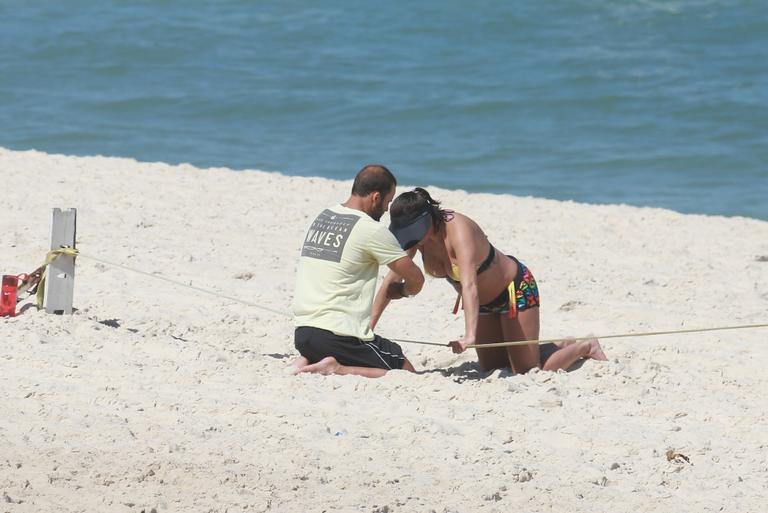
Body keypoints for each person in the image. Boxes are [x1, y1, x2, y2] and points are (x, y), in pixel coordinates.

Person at [372, 187, 606, 374]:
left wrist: (469, 335)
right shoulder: (417, 242)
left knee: (527, 370)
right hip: (483, 305)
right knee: (494, 368)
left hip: (515, 290)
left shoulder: (458, 229)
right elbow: (391, 280)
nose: (408, 239)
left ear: (426, 221)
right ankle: (559, 345)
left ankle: (585, 346)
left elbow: (470, 285)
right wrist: (368, 327)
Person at [292, 165, 425, 378]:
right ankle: (337, 367)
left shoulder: (325, 216)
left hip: (303, 334)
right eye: (387, 202)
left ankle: (309, 357)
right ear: (375, 197)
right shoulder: (371, 229)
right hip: (338, 336)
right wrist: (402, 291)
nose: (385, 210)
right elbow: (416, 279)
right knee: (406, 370)